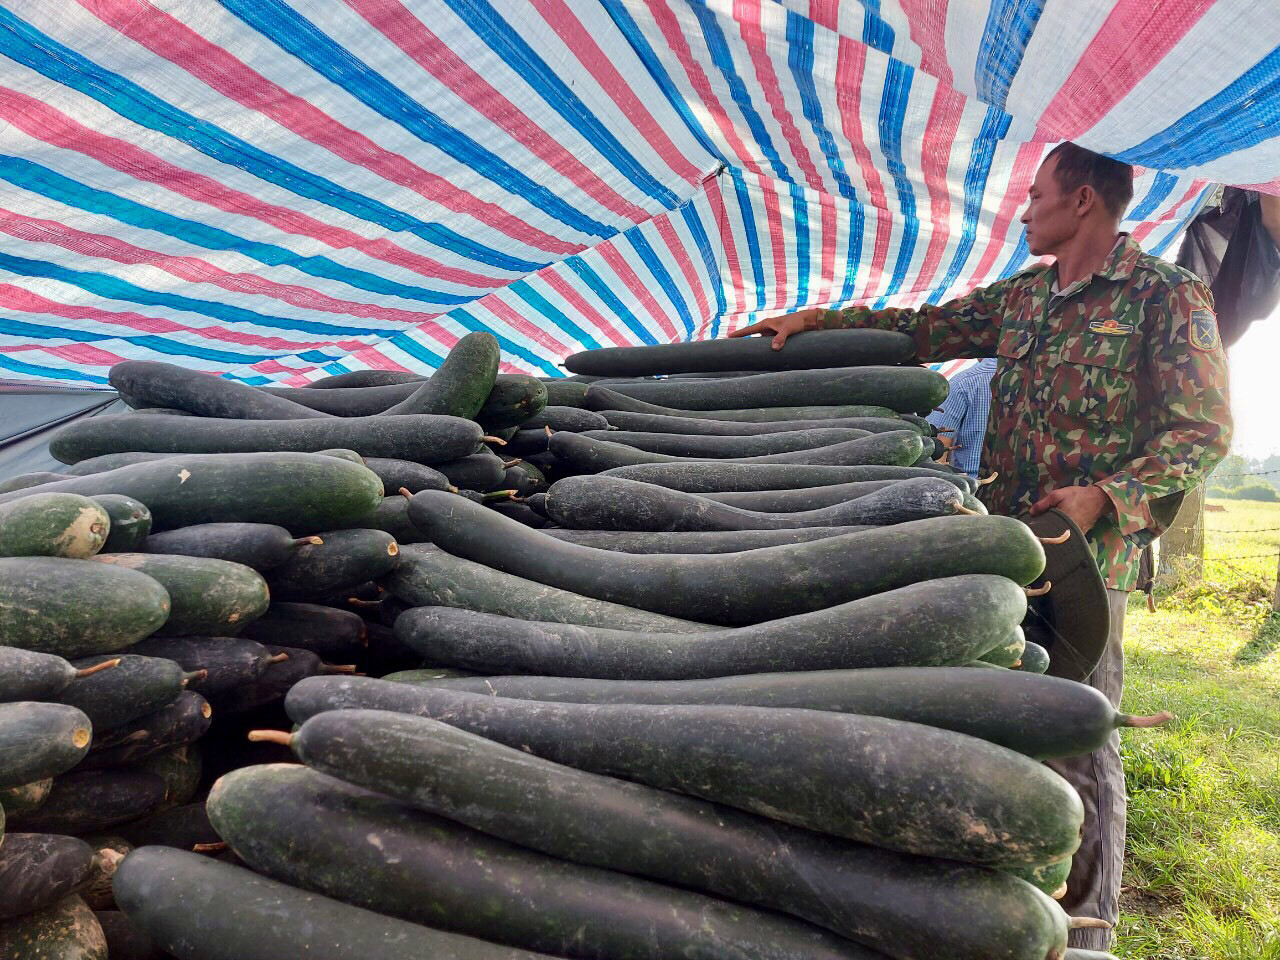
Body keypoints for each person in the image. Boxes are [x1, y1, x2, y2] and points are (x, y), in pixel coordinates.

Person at [730, 142, 1232, 949]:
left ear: (1083, 203)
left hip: (1083, 565)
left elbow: (1203, 430)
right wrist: (815, 321)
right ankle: (1015, 893)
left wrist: (1108, 495)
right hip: (1003, 549)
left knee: (1078, 730)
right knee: (1001, 715)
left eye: (1036, 195)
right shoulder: (1028, 297)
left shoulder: (1165, 296)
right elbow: (921, 329)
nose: (1024, 210)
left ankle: (1087, 927)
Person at [925, 358, 996, 478]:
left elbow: (937, 447)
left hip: (972, 487)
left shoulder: (964, 382)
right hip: (1028, 490)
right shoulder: (1036, 381)